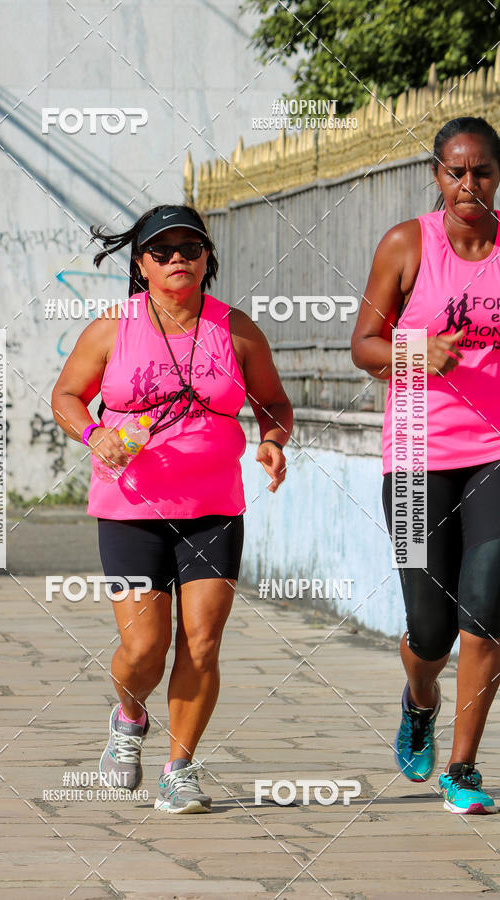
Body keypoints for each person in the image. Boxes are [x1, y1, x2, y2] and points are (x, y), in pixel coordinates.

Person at [51, 204, 293, 813]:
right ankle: (128, 717)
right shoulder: (114, 327)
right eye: (162, 250)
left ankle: (179, 768)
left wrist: (270, 441)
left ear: (208, 259)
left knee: (203, 644)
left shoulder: (237, 330)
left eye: (191, 247)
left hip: (213, 508)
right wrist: (92, 434)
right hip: (131, 507)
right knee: (143, 649)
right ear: (142, 264)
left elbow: (274, 403)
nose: (178, 257)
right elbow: (66, 396)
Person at [352, 116, 500, 815]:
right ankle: (419, 700)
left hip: (495, 455)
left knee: (487, 612)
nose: (468, 185)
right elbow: (363, 345)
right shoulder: (408, 244)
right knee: (430, 629)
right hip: (413, 458)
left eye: (482, 172)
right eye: (455, 172)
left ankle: (464, 771)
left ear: (498, 177)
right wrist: (417, 353)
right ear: (437, 175)